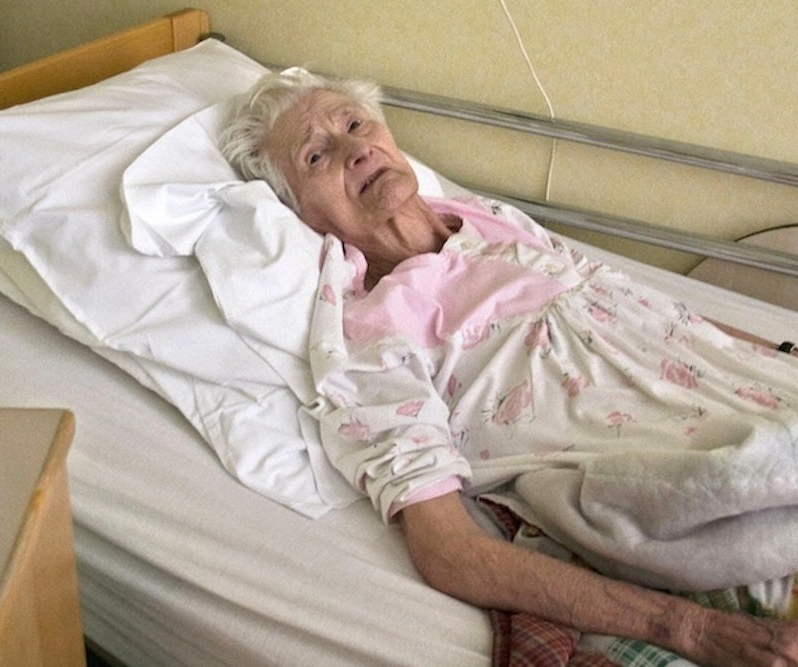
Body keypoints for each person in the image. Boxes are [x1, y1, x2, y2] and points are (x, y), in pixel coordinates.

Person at [223, 67, 798, 666]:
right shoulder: (369, 336)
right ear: (298, 213)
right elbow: (448, 551)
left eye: (356, 124)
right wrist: (692, 629)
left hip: (752, 392)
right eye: (317, 156)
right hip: (695, 477)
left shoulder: (492, 221)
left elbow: (658, 314)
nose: (356, 150)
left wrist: (780, 354)